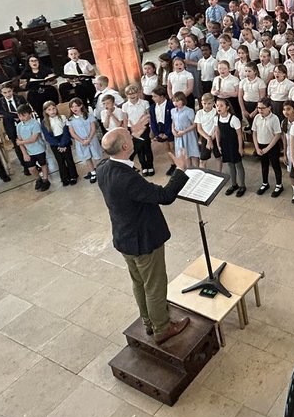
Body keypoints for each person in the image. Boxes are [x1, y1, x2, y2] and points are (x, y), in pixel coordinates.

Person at [95, 127, 190, 345]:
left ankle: (148, 322)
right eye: (130, 136)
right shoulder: (128, 178)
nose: (133, 136)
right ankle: (162, 329)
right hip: (143, 239)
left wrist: (131, 134)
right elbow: (164, 196)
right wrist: (180, 170)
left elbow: (125, 152)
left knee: (139, 283)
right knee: (155, 285)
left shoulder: (102, 168)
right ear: (126, 147)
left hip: (123, 237)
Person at [39, 100, 79, 187]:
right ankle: (65, 178)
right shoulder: (44, 122)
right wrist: (58, 145)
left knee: (69, 159)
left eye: (54, 108)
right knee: (60, 161)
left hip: (64, 141)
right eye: (49, 109)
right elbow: (47, 137)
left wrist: (63, 144)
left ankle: (73, 176)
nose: (52, 111)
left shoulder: (63, 117)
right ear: (45, 111)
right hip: (55, 143)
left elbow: (66, 131)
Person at [213, 97, 245, 197]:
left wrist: (240, 148)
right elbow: (217, 132)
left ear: (227, 107)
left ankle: (242, 186)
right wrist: (218, 144)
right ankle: (233, 184)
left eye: (221, 105)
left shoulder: (233, 119)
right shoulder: (216, 118)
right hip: (224, 144)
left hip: (234, 144)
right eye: (217, 105)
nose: (219, 107)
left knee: (238, 165)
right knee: (230, 164)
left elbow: (239, 134)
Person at [14, 105, 50, 191]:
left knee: (43, 164)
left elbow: (34, 139)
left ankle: (45, 180)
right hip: (28, 151)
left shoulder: (35, 123)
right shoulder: (19, 126)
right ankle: (38, 179)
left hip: (39, 149)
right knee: (31, 169)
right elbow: (19, 140)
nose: (21, 117)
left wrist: (21, 142)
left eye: (24, 115)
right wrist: (24, 153)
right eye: (19, 115)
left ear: (30, 114)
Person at [67, 98, 102, 182]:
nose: (74, 108)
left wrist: (89, 139)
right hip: (81, 142)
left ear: (81, 106)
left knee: (96, 156)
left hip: (92, 140)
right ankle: (92, 172)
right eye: (72, 107)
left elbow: (93, 128)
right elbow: (72, 133)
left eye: (76, 106)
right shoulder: (70, 119)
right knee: (87, 157)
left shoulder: (89, 116)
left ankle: (100, 171)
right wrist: (82, 141)